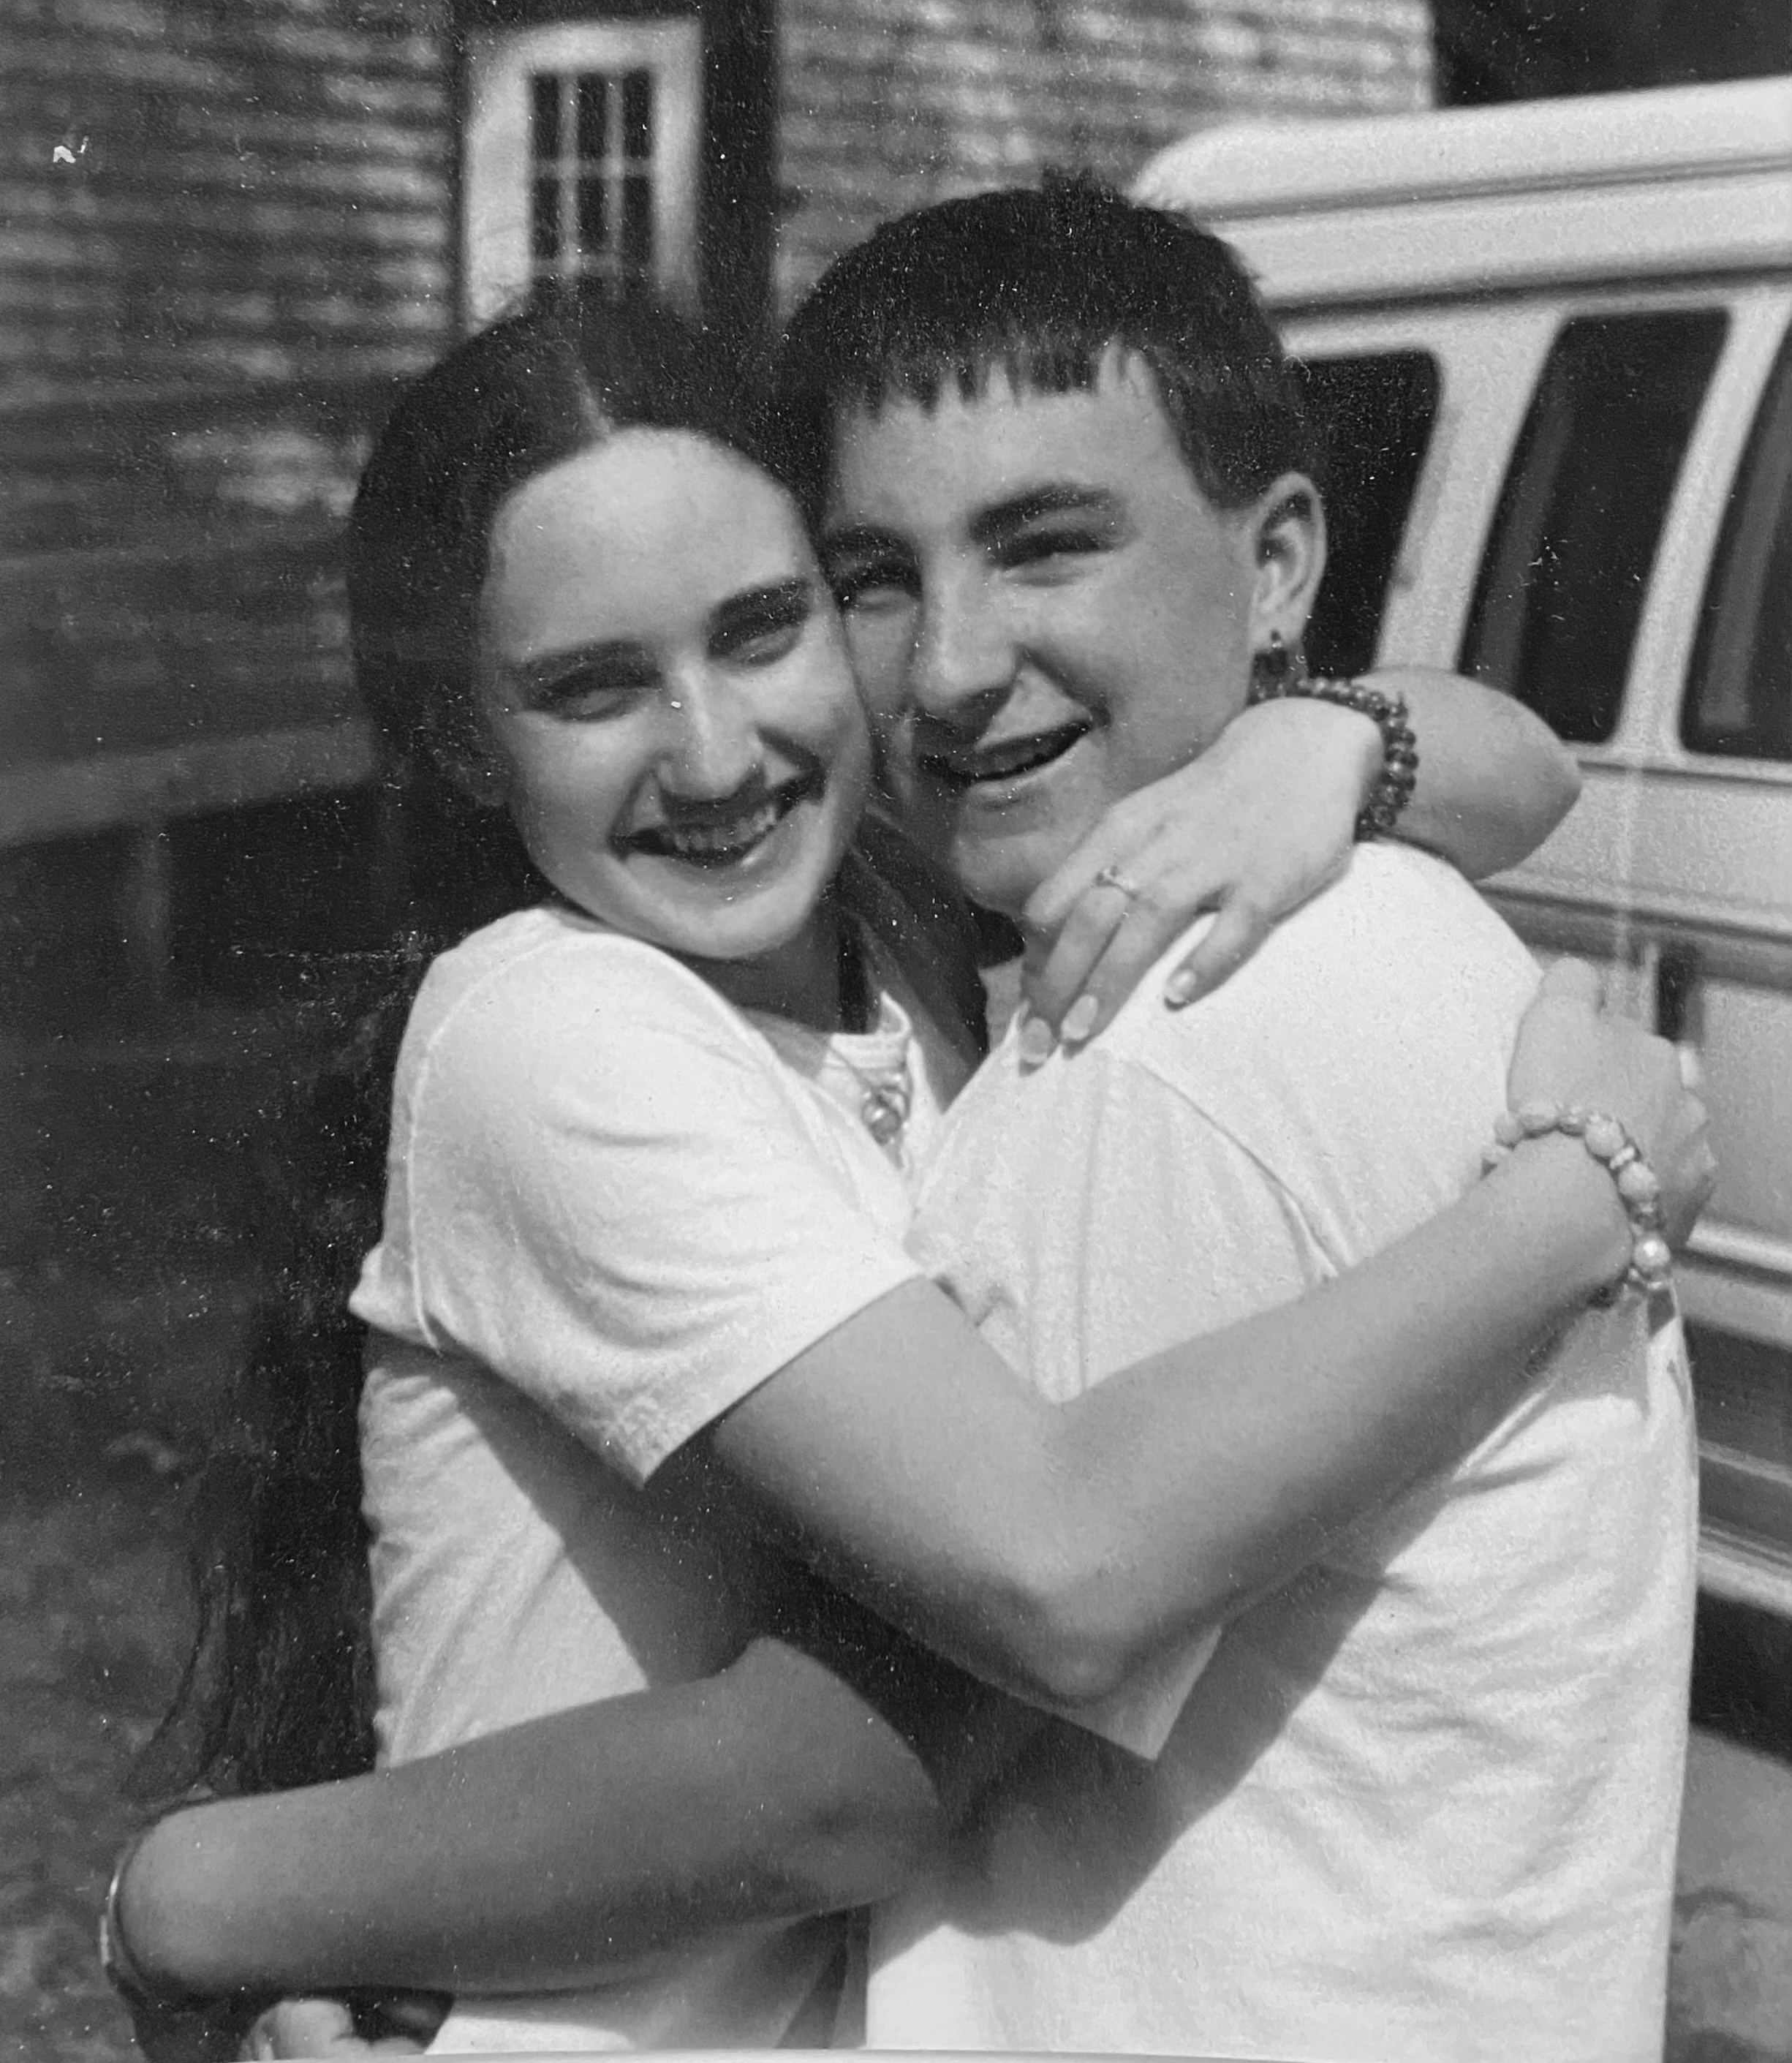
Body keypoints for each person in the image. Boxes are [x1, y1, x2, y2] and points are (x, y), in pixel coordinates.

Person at [106, 261, 1708, 2058]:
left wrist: (1322, 738)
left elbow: (1528, 768)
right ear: (464, 739)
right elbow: (974, 1656)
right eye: (591, 687)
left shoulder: (917, 960)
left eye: (767, 624)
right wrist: (1572, 1199)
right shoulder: (556, 1028)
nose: (712, 749)